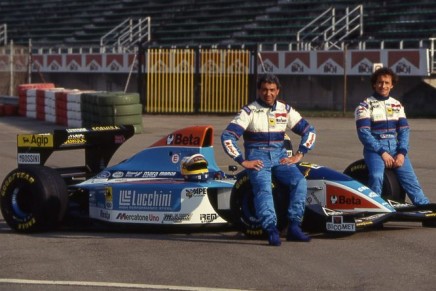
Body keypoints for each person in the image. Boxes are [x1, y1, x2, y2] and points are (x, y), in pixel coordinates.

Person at [221, 74, 316, 246]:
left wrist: (299, 155)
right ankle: (271, 229)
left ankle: (294, 226)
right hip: (257, 158)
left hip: (280, 157)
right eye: (264, 90)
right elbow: (227, 136)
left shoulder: (285, 109)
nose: (268, 94)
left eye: (272, 90)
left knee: (299, 181)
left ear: (278, 91)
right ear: (258, 90)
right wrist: (242, 161)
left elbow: (310, 131)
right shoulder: (248, 111)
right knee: (264, 189)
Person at [354, 67, 430, 205]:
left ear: (392, 85)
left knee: (411, 180)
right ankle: (374, 207)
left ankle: (425, 208)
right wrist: (382, 153)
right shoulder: (364, 105)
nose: (383, 86)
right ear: (374, 84)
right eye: (380, 82)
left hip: (395, 149)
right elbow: (364, 133)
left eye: (386, 83)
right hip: (375, 151)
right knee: (376, 176)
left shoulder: (397, 105)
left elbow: (404, 131)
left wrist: (401, 153)